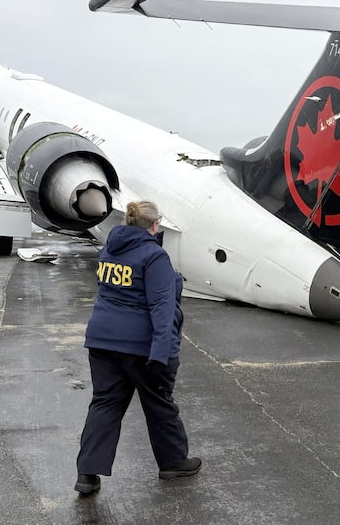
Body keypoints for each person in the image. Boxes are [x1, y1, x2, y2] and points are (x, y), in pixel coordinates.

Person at [74, 201, 200, 495]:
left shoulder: (110, 249)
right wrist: (162, 354)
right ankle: (173, 462)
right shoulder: (154, 257)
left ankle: (87, 474)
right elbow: (162, 308)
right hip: (140, 347)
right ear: (154, 226)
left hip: (102, 342)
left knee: (105, 404)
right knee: (159, 403)